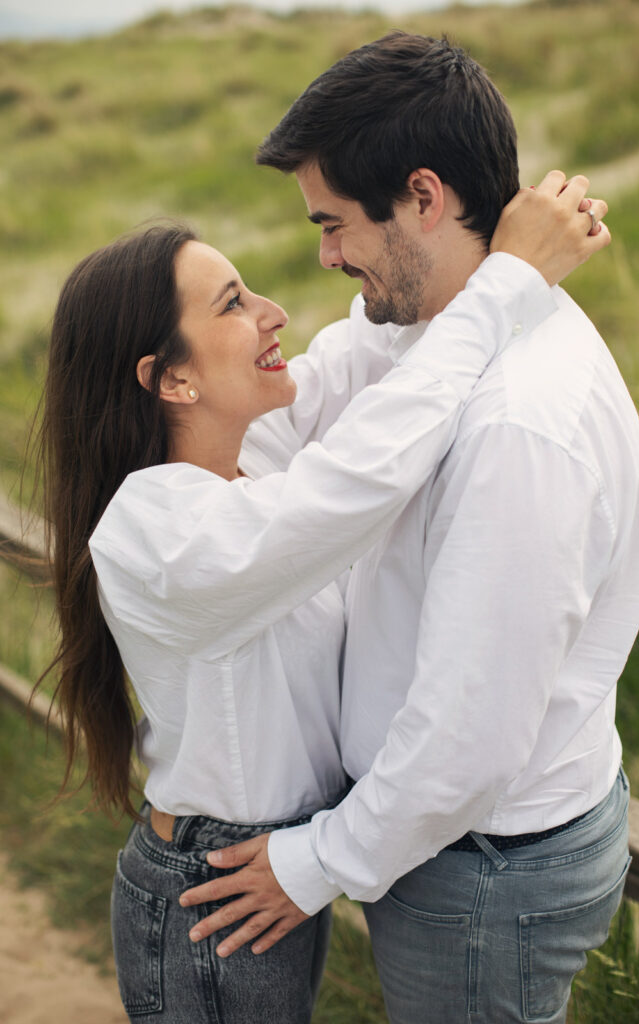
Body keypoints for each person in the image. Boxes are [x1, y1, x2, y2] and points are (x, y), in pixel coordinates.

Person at [39, 180, 603, 1023]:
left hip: (265, 868)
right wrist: (508, 281)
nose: (273, 312)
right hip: (215, 889)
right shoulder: (158, 536)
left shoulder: (252, 446)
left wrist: (483, 230)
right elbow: (362, 474)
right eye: (233, 303)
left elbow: (368, 354)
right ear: (171, 380)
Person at [180, 33, 639, 1024]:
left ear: (424, 198)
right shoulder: (407, 330)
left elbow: (468, 735)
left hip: (481, 870)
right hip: (447, 846)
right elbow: (307, 412)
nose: (322, 255)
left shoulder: (520, 422)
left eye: (333, 224)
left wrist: (315, 863)